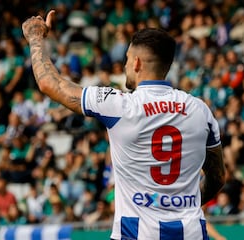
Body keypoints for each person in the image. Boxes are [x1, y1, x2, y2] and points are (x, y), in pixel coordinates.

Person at [22, 11, 225, 240]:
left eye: (127, 59)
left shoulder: (120, 105)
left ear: (136, 63)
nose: (126, 65)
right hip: (191, 234)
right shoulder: (200, 110)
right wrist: (178, 205)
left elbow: (50, 84)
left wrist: (35, 37)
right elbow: (217, 178)